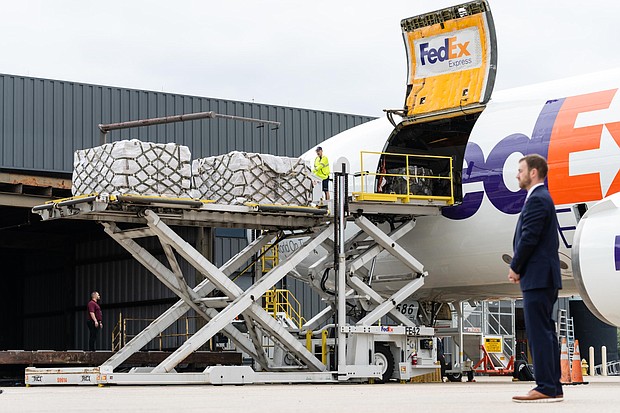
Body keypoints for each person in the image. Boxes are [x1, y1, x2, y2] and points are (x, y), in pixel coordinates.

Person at [508, 154, 563, 403]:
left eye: (520, 170)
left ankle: (545, 386)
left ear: (533, 173)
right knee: (546, 331)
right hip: (544, 276)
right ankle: (554, 385)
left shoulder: (538, 199)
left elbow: (529, 237)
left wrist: (515, 266)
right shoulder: (540, 198)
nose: (517, 175)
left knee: (539, 332)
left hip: (538, 276)